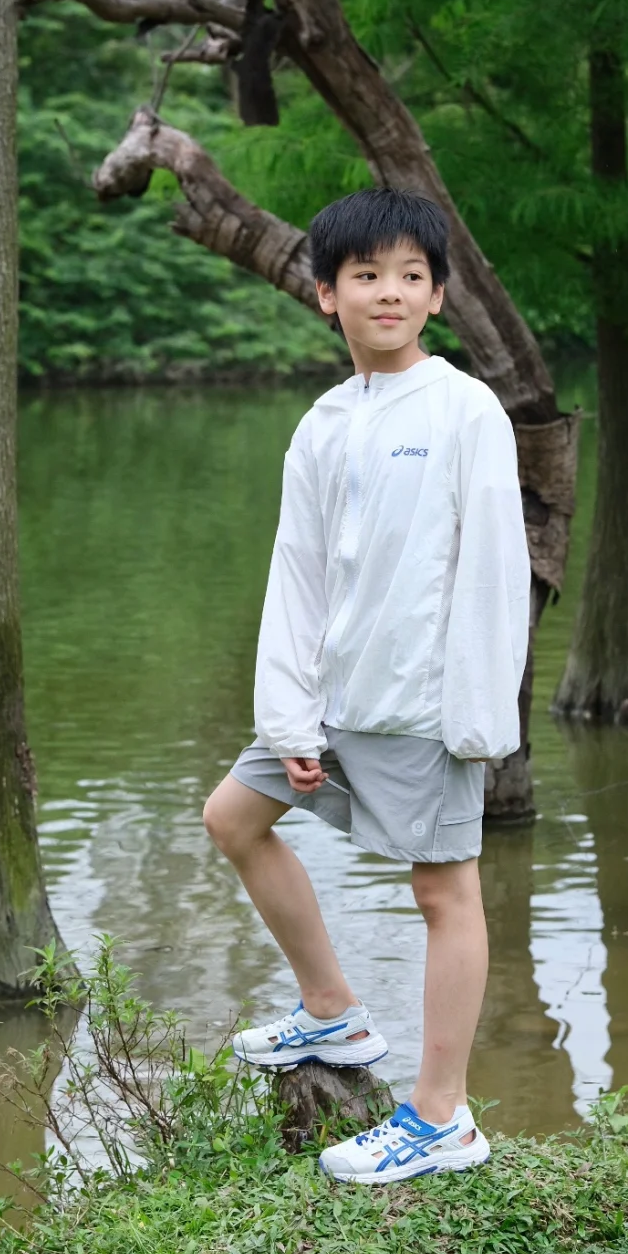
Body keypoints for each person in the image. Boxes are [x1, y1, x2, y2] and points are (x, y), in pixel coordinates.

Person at [202, 187, 531, 1184]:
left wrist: (480, 717)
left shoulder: (464, 408)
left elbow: (494, 569)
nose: (388, 293)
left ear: (436, 298)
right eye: (366, 275)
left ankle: (441, 1117)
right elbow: (296, 575)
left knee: (444, 890)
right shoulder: (324, 422)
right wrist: (287, 713)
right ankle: (334, 1014)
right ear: (325, 295)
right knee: (232, 817)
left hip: (421, 703)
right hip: (329, 700)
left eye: (410, 277)